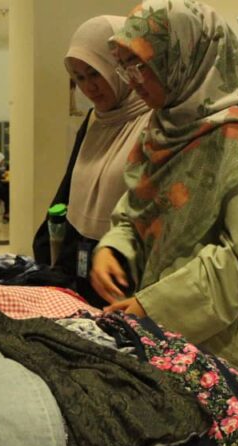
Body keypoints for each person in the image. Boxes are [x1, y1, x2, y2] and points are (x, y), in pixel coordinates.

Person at [91, 0, 238, 394]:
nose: (133, 80)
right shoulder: (163, 127)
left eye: (142, 64)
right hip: (163, 336)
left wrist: (154, 307)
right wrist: (113, 248)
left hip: (222, 353)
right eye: (126, 66)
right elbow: (136, 209)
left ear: (183, 56)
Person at [32, 16, 151, 305]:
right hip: (81, 263)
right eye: (80, 78)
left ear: (119, 68)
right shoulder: (94, 120)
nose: (89, 88)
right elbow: (69, 187)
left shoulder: (153, 122)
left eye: (95, 73)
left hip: (125, 271)